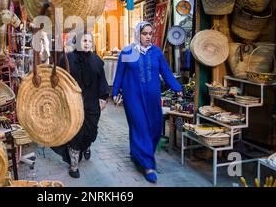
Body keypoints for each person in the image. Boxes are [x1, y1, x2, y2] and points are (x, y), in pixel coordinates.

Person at [112, 21, 183, 183]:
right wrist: (115, 92)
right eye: (145, 34)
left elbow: (166, 73)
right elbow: (120, 75)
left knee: (155, 128)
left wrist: (177, 87)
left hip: (153, 98)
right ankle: (148, 165)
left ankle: (137, 153)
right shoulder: (128, 52)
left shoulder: (156, 53)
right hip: (133, 97)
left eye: (151, 34)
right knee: (140, 127)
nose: (148, 37)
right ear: (138, 34)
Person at [52, 32, 109, 178]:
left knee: (90, 131)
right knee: (76, 133)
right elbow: (59, 79)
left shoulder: (97, 60)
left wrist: (103, 98)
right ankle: (74, 166)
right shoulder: (67, 59)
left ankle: (87, 145)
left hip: (91, 102)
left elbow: (102, 80)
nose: (87, 43)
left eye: (90, 41)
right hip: (73, 103)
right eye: (84, 40)